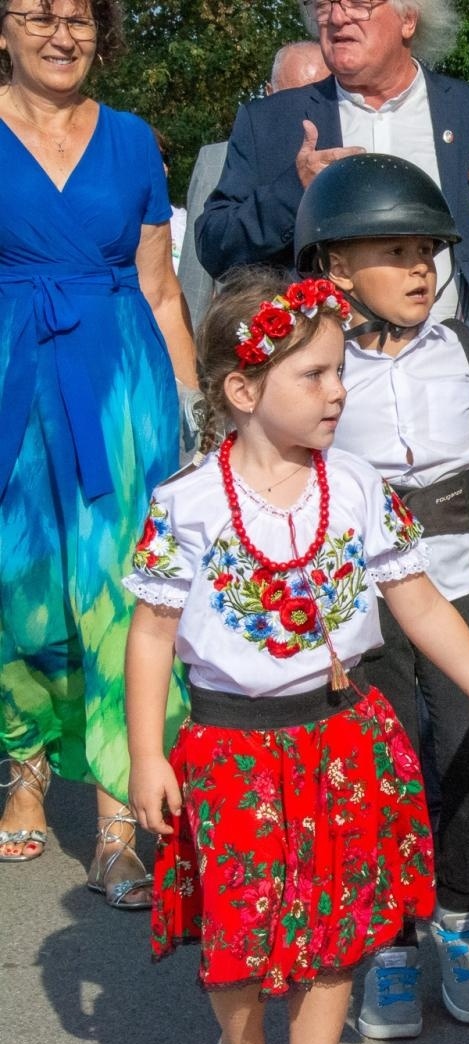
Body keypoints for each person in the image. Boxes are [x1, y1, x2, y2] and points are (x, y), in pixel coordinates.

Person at [123, 269, 469, 1044]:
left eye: (341, 369)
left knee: (339, 923)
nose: (337, 390)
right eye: (313, 374)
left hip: (341, 741)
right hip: (231, 748)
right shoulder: (189, 503)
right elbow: (152, 635)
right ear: (243, 390)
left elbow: (417, 603)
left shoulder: (357, 487)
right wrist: (145, 755)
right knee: (243, 924)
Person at [294, 151, 469, 1038]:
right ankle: (392, 946)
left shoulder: (468, 356)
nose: (421, 268)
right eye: (397, 251)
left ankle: (457, 921)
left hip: (461, 590)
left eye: (429, 251)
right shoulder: (317, 367)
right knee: (386, 771)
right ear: (336, 265)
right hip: (360, 610)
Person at [195, 0, 469, 482]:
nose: (336, 18)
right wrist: (295, 191)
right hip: (324, 410)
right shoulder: (271, 122)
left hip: (455, 396)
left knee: (456, 546)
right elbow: (215, 244)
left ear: (408, 18)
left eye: (357, 3)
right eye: (323, 5)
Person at [0, 0, 194, 911]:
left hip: (123, 392)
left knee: (125, 589)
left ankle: (119, 821)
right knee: (18, 585)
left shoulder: (132, 142)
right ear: (2, 29)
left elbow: (159, 290)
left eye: (74, 15)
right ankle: (26, 763)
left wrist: (194, 421)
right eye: (35, 14)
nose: (58, 33)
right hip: (11, 384)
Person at [181, 40, 329, 333]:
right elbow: (196, 275)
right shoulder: (217, 160)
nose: (304, 113)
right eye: (292, 99)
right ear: (269, 94)